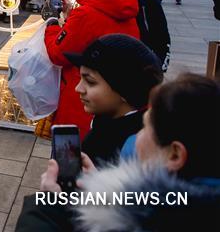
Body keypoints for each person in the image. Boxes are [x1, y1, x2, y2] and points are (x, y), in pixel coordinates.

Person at [16, 74, 220, 231]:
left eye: (145, 127)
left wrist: (48, 207)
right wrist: (101, 189)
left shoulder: (157, 219)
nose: (137, 136)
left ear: (174, 155)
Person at [44, 0, 140, 137]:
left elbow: (58, 53)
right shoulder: (124, 7)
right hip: (113, 98)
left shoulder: (87, 14)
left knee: (73, 155)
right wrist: (72, 16)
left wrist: (52, 23)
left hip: (83, 99)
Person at [65, 34, 163, 166]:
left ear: (125, 91)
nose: (78, 88)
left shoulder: (128, 150)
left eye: (90, 82)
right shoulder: (107, 124)